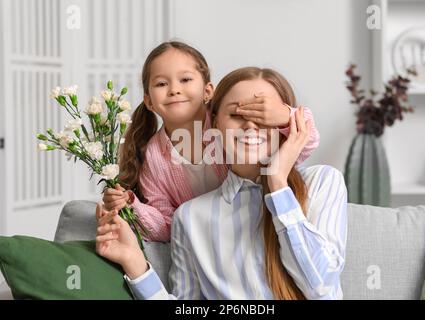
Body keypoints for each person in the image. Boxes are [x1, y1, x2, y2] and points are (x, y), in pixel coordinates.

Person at [96, 67, 348, 300]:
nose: (250, 124)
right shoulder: (191, 217)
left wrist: (278, 182)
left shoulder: (322, 183)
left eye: (263, 114)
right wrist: (135, 263)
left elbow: (322, 290)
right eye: (237, 114)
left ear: (284, 123)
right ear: (215, 123)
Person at [102, 41, 320, 242]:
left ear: (208, 91)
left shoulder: (231, 124)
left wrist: (284, 115)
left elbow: (306, 143)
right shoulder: (154, 157)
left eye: (185, 79)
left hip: (262, 225)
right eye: (161, 83)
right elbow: (168, 227)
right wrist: (132, 204)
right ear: (149, 101)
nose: (174, 89)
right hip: (214, 241)